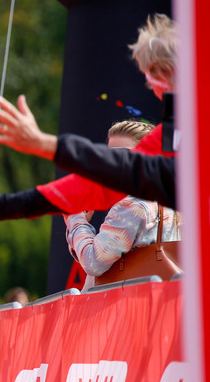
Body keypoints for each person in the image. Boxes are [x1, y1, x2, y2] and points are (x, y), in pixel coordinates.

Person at [0, 14, 178, 230]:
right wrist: (3, 206)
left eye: (149, 81)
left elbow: (126, 171)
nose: (154, 92)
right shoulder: (176, 124)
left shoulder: (189, 118)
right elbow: (103, 183)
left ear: (161, 73)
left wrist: (44, 144)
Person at [64, 120, 180, 290]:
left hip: (130, 309)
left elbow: (93, 262)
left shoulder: (132, 206)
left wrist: (75, 219)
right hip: (164, 306)